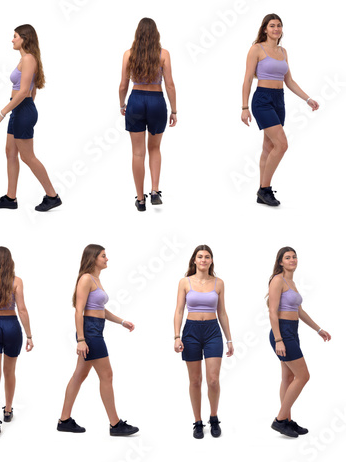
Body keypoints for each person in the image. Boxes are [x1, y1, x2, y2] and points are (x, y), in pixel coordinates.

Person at [58, 245, 139, 436]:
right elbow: (79, 310)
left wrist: (121, 321)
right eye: (103, 256)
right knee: (107, 376)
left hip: (95, 329)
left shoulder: (96, 279)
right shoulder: (86, 279)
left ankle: (64, 420)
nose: (107, 259)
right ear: (93, 258)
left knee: (79, 375)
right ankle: (115, 424)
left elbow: (100, 310)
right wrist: (81, 339)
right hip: (91, 332)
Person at [241, 13, 319, 206]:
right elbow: (248, 79)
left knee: (269, 147)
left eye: (279, 26)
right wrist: (244, 107)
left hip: (279, 100)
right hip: (262, 100)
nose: (276, 29)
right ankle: (264, 189)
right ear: (265, 29)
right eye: (272, 26)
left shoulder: (283, 52)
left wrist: (307, 98)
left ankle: (262, 190)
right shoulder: (256, 49)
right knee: (282, 145)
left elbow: (289, 80)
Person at [0, 24, 61, 212]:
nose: (12, 40)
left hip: (21, 109)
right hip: (20, 109)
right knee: (10, 153)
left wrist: (2, 112)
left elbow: (23, 92)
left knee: (27, 156)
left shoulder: (29, 59)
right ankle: (10, 198)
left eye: (14, 36)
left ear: (24, 38)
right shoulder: (26, 59)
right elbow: (33, 88)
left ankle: (52, 196)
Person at [267, 247, 331, 437]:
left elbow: (299, 311)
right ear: (280, 262)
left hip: (293, 331)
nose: (292, 260)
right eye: (288, 257)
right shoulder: (277, 280)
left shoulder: (291, 282)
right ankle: (279, 420)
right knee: (303, 376)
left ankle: (286, 419)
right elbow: (272, 312)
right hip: (283, 333)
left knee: (288, 378)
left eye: (294, 257)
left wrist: (318, 329)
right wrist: (278, 339)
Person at [174, 245, 234, 439]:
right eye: (200, 256)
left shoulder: (219, 283)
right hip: (191, 331)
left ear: (211, 261)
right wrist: (176, 336)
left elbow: (222, 312)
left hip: (212, 332)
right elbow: (179, 311)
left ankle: (214, 417)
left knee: (213, 379)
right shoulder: (185, 282)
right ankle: (198, 422)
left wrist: (229, 339)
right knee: (195, 380)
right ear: (194, 260)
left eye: (207, 257)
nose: (203, 260)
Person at [119, 17, 177, 211]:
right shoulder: (164, 54)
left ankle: (140, 199)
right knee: (155, 148)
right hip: (156, 101)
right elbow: (169, 84)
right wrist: (174, 110)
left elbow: (122, 86)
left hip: (135, 101)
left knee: (137, 152)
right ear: (156, 34)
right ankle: (154, 191)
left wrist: (122, 104)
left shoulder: (129, 54)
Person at [0, 247, 33, 436]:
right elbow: (22, 310)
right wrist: (29, 336)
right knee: (9, 371)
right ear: (10, 262)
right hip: (11, 326)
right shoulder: (16, 281)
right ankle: (8, 411)